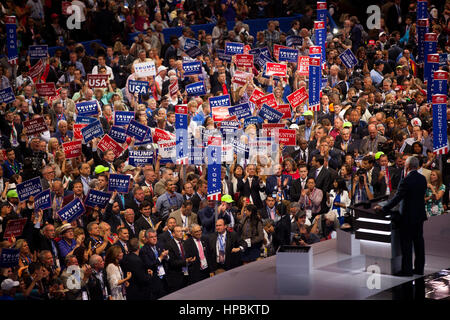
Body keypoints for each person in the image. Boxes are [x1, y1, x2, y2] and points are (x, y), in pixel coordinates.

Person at [375, 156, 427, 276]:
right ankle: (419, 269)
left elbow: (397, 198)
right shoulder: (422, 179)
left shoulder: (406, 180)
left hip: (408, 216)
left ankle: (407, 270)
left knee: (407, 243)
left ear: (407, 166)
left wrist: (383, 208)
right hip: (419, 215)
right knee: (419, 242)